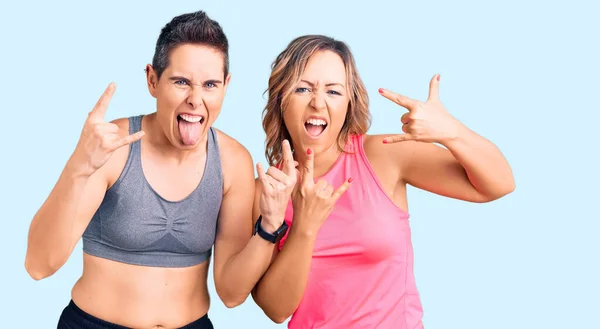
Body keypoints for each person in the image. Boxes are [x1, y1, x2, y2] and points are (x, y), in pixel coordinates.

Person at [25, 10, 284, 329]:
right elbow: (39, 265)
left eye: (210, 84)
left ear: (226, 85)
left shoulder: (233, 161)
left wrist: (270, 227)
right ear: (152, 80)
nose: (195, 99)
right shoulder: (113, 147)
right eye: (181, 82)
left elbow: (231, 294)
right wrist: (78, 167)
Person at [250, 35, 516, 328]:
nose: (318, 102)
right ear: (280, 98)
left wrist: (450, 132)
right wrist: (305, 227)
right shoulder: (267, 189)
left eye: (333, 91)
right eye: (303, 88)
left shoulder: (384, 155)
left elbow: (499, 183)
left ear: (350, 102)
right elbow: (276, 310)